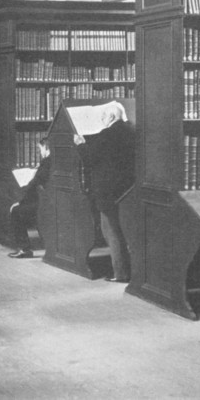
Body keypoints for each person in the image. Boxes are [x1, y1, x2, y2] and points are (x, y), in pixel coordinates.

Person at [74, 104, 135, 282]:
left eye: (102, 117)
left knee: (111, 230)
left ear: (111, 117)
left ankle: (120, 273)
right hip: (127, 189)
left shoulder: (107, 134)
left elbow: (90, 159)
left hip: (108, 190)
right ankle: (127, 269)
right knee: (124, 229)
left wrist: (80, 145)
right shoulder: (131, 131)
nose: (101, 121)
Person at [8, 137, 51, 259]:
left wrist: (20, 202)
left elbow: (34, 185)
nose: (40, 152)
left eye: (40, 149)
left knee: (16, 211)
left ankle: (24, 249)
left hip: (44, 203)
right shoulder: (51, 161)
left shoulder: (46, 162)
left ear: (46, 147)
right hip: (48, 199)